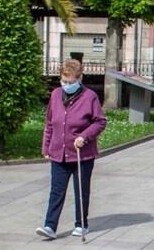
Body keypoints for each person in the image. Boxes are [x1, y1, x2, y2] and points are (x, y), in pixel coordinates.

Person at [35, 59, 107, 240]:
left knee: (81, 189)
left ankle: (81, 224)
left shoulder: (90, 97)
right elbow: (50, 123)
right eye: (64, 81)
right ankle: (50, 226)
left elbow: (100, 121)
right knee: (56, 190)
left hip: (82, 154)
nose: (67, 85)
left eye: (71, 82)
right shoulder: (55, 94)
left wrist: (84, 136)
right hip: (58, 152)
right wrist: (46, 146)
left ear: (80, 78)